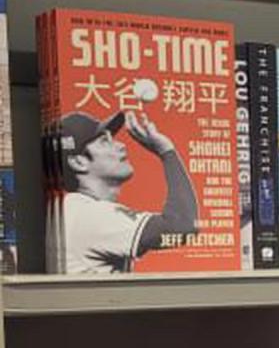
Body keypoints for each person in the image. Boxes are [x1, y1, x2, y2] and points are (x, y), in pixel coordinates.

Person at [54, 110, 198, 273]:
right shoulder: (88, 215)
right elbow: (182, 226)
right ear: (79, 162)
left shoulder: (74, 209)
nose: (121, 145)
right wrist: (166, 151)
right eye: (104, 141)